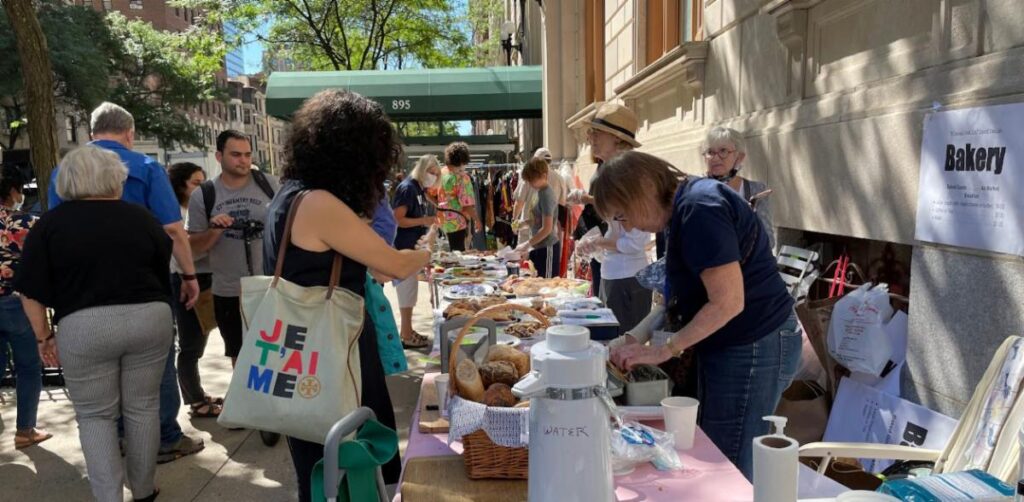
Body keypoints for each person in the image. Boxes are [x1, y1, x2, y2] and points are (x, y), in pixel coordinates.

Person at [262, 89, 430, 502]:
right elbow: (390, 265)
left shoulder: (290, 196)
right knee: (343, 462)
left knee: (321, 467)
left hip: (304, 352)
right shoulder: (318, 203)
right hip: (333, 356)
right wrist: (428, 250)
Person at [594, 151, 800, 480]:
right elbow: (681, 297)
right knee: (713, 450)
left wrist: (666, 349)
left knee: (726, 460)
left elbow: (727, 302)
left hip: (754, 343)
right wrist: (638, 337)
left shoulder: (700, 208)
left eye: (623, 214)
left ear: (643, 188)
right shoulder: (681, 211)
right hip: (735, 341)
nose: (628, 225)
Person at [48, 102, 203, 464]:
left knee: (100, 373)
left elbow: (56, 230)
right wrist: (190, 276)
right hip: (144, 283)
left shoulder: (63, 171)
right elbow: (173, 230)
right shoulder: (146, 167)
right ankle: (165, 435)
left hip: (82, 286)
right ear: (130, 134)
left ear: (90, 131)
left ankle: (115, 436)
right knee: (158, 361)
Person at [17, 146, 175, 502]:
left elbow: (29, 290)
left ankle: (109, 496)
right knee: (143, 406)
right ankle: (145, 489)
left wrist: (44, 337)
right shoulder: (142, 218)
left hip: (84, 324)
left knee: (95, 416)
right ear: (114, 178)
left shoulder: (50, 226)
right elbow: (162, 265)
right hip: (150, 317)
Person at [187, 130, 279, 368]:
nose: (244, 160)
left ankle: (272, 406)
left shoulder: (269, 185)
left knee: (275, 356)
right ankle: (247, 405)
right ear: (219, 156)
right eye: (236, 155)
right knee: (240, 360)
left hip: (270, 288)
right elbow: (193, 247)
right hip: (229, 292)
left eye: (247, 154)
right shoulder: (204, 195)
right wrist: (214, 230)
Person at [0, 164, 51, 449]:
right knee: (28, 367)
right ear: (13, 191)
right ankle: (25, 430)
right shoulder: (21, 223)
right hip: (14, 302)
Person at [567, 103, 642, 296]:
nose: (590, 137)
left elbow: (634, 242)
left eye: (597, 132)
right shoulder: (614, 171)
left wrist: (598, 243)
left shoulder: (628, 174)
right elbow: (617, 228)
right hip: (615, 273)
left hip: (626, 278)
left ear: (617, 138)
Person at [167, 162, 222, 418]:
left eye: (203, 182)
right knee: (191, 345)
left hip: (208, 278)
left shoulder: (199, 209)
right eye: (195, 184)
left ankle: (197, 394)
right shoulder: (174, 213)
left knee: (200, 340)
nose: (202, 188)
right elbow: (181, 253)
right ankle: (195, 400)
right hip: (187, 281)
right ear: (181, 186)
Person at [391, 154, 441, 348]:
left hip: (412, 247)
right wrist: (424, 221)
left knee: (410, 293)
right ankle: (405, 334)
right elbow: (398, 219)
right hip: (404, 248)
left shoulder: (418, 189)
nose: (433, 176)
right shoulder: (408, 189)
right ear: (422, 169)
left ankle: (408, 331)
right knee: (406, 292)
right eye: (431, 172)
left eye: (435, 174)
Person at [702, 126, 776, 250]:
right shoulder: (695, 188)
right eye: (710, 152)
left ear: (739, 157)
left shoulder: (756, 190)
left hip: (744, 267)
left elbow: (768, 241)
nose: (715, 158)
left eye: (723, 151)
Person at [514, 158, 561, 278]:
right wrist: (525, 223)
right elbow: (538, 219)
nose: (530, 183)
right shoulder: (539, 191)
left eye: (532, 180)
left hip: (547, 247)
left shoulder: (546, 194)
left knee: (547, 284)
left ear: (543, 175)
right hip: (539, 246)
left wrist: (527, 244)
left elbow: (547, 228)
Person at [437, 142, 480, 251]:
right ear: (462, 161)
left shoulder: (441, 173)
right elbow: (467, 205)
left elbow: (429, 193)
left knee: (450, 254)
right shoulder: (461, 178)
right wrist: (477, 220)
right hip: (458, 222)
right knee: (459, 255)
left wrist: (441, 205)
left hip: (443, 221)